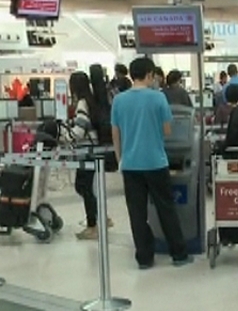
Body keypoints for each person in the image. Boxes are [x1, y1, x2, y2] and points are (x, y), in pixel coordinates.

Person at [111, 57, 192, 269]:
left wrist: (121, 159)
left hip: (130, 165)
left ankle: (145, 257)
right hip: (156, 162)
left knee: (137, 213)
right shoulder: (158, 98)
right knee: (166, 208)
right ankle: (179, 254)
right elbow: (167, 130)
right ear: (149, 74)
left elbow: (116, 133)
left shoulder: (119, 100)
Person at [62, 72, 112, 240]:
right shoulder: (93, 100)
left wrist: (65, 135)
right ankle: (101, 218)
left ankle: (93, 225)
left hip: (86, 151)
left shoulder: (82, 103)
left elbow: (80, 130)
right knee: (87, 187)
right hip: (94, 149)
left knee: (82, 187)